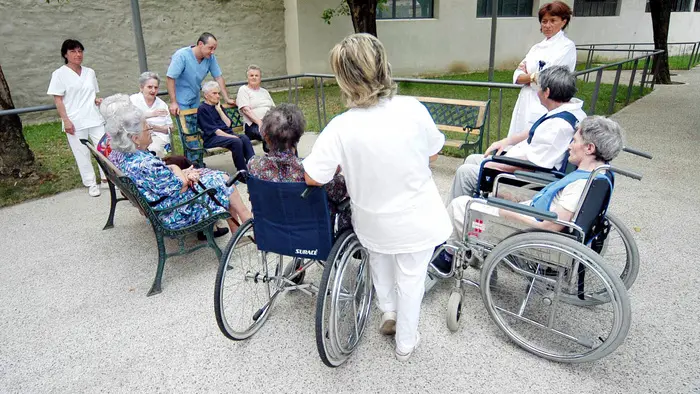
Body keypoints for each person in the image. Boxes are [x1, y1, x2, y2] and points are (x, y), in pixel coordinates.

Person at [302, 33, 451, 362]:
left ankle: (387, 312)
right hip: (415, 217)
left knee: (379, 261)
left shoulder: (340, 127)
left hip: (372, 219)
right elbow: (433, 155)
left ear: (344, 78)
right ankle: (405, 344)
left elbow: (313, 176)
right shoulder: (411, 109)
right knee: (411, 280)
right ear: (382, 66)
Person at [442, 116, 624, 261]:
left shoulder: (579, 185)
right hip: (532, 213)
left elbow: (551, 225)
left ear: (589, 148)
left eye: (574, 141)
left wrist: (506, 210)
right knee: (486, 199)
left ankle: (446, 257)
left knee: (461, 205)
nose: (569, 146)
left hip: (528, 231)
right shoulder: (597, 175)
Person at [100, 95, 251, 232]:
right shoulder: (144, 164)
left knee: (213, 176)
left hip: (162, 203)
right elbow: (181, 185)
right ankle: (248, 224)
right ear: (135, 138)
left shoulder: (120, 155)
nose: (151, 131)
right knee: (225, 180)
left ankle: (239, 230)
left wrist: (183, 173)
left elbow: (163, 180)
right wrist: (179, 170)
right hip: (176, 213)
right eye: (148, 129)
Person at [449, 66, 585, 202]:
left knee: (465, 172)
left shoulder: (558, 126)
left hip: (530, 178)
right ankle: (469, 207)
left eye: (538, 87)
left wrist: (494, 166)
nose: (537, 90)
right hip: (523, 162)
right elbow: (533, 131)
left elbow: (533, 164)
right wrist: (506, 142)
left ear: (547, 92)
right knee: (473, 159)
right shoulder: (569, 112)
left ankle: (456, 214)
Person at [248, 104, 350, 229]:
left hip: (273, 230)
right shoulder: (311, 173)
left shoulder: (254, 165)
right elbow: (342, 190)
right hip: (311, 233)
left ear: (266, 137)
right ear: (298, 136)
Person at [507, 1, 576, 139]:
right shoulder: (536, 48)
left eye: (552, 20)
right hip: (526, 99)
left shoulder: (566, 47)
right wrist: (534, 77)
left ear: (563, 21)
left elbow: (548, 80)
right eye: (544, 21)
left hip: (546, 101)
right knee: (516, 139)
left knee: (535, 138)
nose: (547, 25)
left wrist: (530, 76)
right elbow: (516, 76)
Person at [47, 39, 106, 197]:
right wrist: (66, 120)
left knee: (103, 148)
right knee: (81, 152)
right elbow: (58, 99)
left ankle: (106, 178)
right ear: (65, 54)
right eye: (73, 51)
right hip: (75, 120)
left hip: (94, 117)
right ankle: (91, 183)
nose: (78, 54)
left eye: (80, 51)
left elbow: (91, 94)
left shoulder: (90, 72)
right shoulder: (59, 74)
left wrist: (96, 100)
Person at [166, 32, 235, 116]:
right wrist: (173, 102)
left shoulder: (210, 58)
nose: (212, 52)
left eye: (214, 49)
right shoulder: (181, 55)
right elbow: (170, 78)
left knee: (197, 125)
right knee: (185, 127)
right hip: (180, 100)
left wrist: (226, 98)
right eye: (210, 48)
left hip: (195, 98)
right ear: (200, 44)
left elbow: (218, 77)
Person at [197, 81, 255, 173]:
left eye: (218, 93)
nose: (218, 96)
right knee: (236, 141)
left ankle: (253, 166)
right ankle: (242, 171)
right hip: (212, 138)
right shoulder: (203, 109)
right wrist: (233, 136)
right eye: (214, 93)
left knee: (244, 138)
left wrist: (219, 110)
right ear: (206, 95)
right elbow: (216, 131)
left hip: (224, 135)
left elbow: (227, 124)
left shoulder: (218, 106)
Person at [129, 72, 173, 158]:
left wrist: (155, 127)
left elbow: (170, 128)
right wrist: (151, 114)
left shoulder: (162, 104)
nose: (153, 90)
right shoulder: (133, 100)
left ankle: (156, 169)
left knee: (153, 150)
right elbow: (128, 118)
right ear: (141, 88)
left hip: (157, 136)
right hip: (136, 136)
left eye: (156, 88)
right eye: (149, 87)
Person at [236, 65, 275, 152]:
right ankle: (273, 158)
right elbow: (246, 110)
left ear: (260, 78)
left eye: (256, 75)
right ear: (247, 78)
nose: (254, 77)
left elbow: (273, 108)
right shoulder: (243, 90)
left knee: (287, 133)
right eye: (251, 75)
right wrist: (260, 122)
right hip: (253, 125)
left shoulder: (264, 91)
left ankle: (292, 159)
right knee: (270, 134)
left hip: (269, 122)